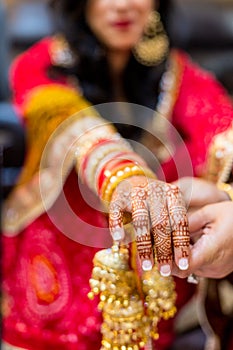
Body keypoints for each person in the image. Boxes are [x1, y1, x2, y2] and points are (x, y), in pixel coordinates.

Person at [2, 0, 233, 349]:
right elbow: (76, 128)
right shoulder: (39, 65)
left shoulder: (176, 73)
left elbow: (220, 128)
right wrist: (129, 181)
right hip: (62, 260)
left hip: (151, 261)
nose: (123, 4)